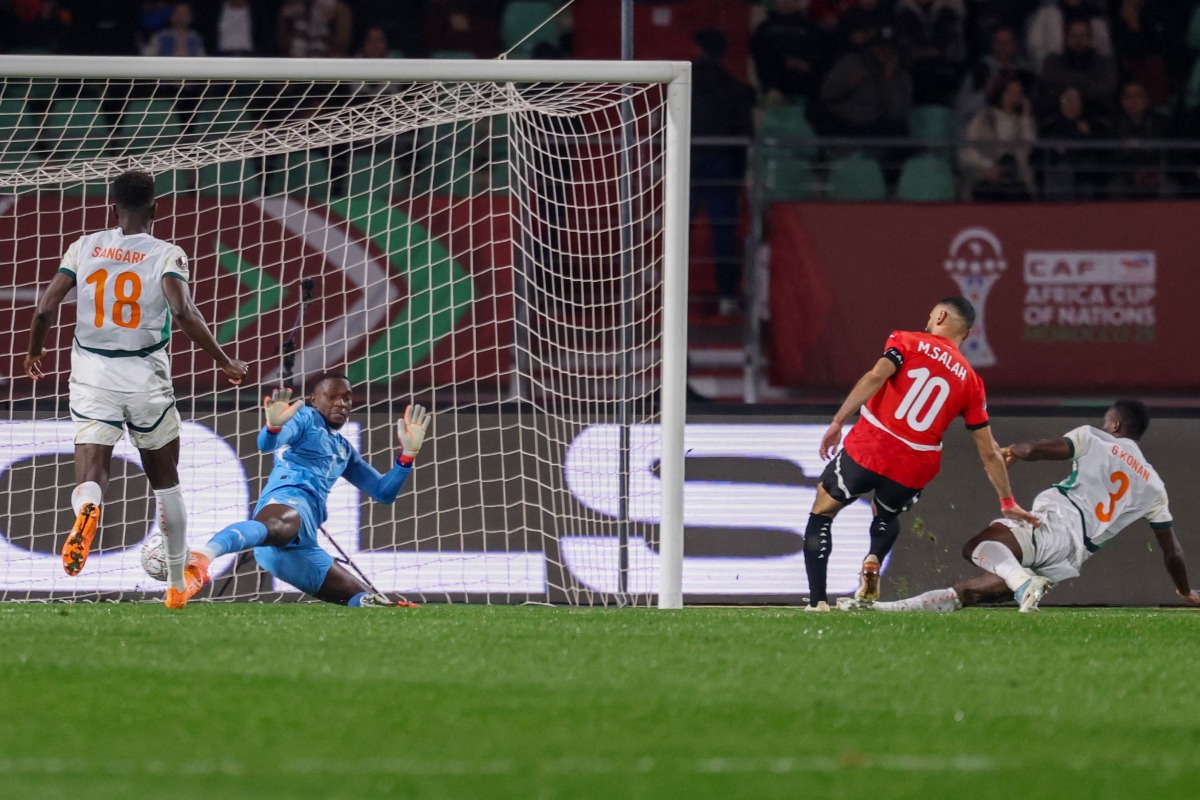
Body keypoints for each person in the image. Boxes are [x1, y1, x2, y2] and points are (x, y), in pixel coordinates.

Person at [23, 169, 249, 601]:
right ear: (156, 208)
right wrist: (223, 360)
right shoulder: (167, 253)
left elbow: (46, 306)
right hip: (145, 377)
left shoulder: (84, 246)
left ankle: (88, 509)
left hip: (92, 374)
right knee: (167, 482)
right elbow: (183, 312)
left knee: (92, 469)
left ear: (113, 207)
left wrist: (35, 350)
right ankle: (177, 585)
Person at [801, 297, 1037, 611]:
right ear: (965, 335)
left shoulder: (906, 341)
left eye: (930, 315)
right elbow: (989, 450)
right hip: (916, 463)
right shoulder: (972, 382)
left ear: (940, 316)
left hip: (873, 445)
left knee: (823, 512)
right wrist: (1007, 502)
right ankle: (874, 558)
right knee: (886, 515)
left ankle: (817, 602)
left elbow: (875, 376)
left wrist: (838, 420)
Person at [852, 401, 1200, 612]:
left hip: (1057, 522)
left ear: (1116, 425)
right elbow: (1173, 551)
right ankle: (891, 609)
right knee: (972, 591)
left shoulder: (1095, 438)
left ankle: (1022, 581)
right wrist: (1184, 590)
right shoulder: (1154, 485)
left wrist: (1011, 451)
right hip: (1071, 558)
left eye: (1107, 420)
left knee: (978, 547)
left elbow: (1034, 450)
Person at [167, 375, 432, 609]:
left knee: (365, 599)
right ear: (313, 400)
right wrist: (273, 428)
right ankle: (201, 560)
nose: (341, 403)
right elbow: (266, 444)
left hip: (300, 545)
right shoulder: (305, 418)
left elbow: (384, 493)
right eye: (333, 396)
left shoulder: (344, 450)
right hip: (287, 501)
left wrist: (408, 455)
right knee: (280, 523)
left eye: (347, 398)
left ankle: (178, 594)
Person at [689, 28, 754, 317]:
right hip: (721, 165)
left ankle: (665, 296)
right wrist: (739, 174)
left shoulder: (683, 82)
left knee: (678, 233)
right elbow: (747, 133)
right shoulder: (734, 86)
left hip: (687, 163)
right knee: (723, 234)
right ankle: (727, 296)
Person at [818, 26, 913, 137]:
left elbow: (896, 113)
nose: (883, 50)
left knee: (899, 130)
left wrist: (888, 78)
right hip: (846, 120)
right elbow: (826, 95)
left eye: (889, 47)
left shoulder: (901, 74)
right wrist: (846, 84)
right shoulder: (853, 62)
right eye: (880, 45)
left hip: (876, 124)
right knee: (817, 111)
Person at [960, 74, 1037, 201]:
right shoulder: (983, 119)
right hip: (986, 179)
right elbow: (966, 151)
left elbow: (1029, 148)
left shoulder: (1024, 122)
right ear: (1001, 91)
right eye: (1010, 91)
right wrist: (987, 165)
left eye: (1018, 93)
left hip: (1015, 181)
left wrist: (1025, 116)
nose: (1014, 96)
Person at [1034, 18, 1118, 120]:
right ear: (1066, 38)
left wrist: (1074, 90)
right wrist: (1080, 86)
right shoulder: (1052, 61)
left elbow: (1106, 89)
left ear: (1091, 38)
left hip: (1095, 117)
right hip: (1057, 118)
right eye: (1074, 36)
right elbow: (1048, 86)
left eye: (1083, 36)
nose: (1078, 40)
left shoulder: (1103, 62)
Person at [1025, 0, 1112, 72]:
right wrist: (1050, 70)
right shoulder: (1046, 14)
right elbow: (1035, 46)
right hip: (1055, 76)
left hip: (1090, 75)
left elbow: (1104, 50)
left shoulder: (1096, 15)